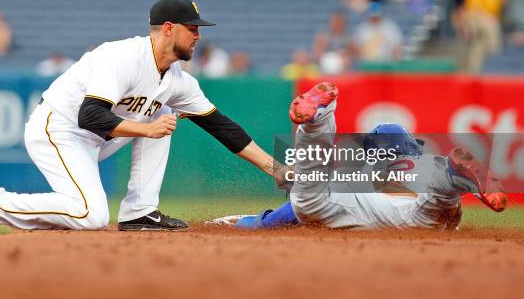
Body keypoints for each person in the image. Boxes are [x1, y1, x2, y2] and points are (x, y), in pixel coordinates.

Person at [0, 0, 288, 231]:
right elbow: (89, 116)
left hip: (97, 138)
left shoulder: (178, 80)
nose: (198, 36)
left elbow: (221, 127)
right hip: (59, 129)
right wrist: (145, 130)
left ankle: (139, 212)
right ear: (169, 28)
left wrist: (275, 169)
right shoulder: (121, 57)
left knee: (163, 111)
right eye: (192, 28)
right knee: (91, 215)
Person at [210, 82, 507, 230]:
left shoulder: (361, 171)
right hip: (407, 213)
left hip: (347, 201)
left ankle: (319, 119)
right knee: (436, 204)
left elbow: (289, 213)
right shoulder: (423, 167)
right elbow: (449, 219)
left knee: (309, 194)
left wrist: (244, 222)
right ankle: (453, 180)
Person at [461, 0, 507, 72]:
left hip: (485, 23)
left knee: (478, 47)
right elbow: (476, 7)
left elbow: (499, 5)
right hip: (474, 18)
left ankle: (473, 72)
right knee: (491, 25)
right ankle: (494, 46)